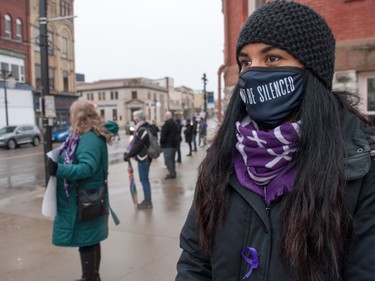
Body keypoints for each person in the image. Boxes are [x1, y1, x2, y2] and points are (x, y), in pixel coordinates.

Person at [176, 1, 375, 281]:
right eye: (246, 61)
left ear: (311, 71)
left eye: (271, 59)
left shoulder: (358, 167)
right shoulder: (221, 158)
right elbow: (195, 260)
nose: (253, 72)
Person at [47, 99, 117, 281]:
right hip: (88, 197)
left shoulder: (88, 138)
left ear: (79, 116)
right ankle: (92, 276)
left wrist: (58, 169)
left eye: (72, 114)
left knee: (87, 241)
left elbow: (88, 167)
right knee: (91, 240)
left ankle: (90, 278)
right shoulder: (87, 135)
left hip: (86, 199)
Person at [123, 110, 153, 209]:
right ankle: (147, 200)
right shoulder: (144, 128)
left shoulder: (142, 129)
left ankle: (147, 202)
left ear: (138, 118)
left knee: (144, 180)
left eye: (135, 118)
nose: (134, 120)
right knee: (145, 180)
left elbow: (139, 145)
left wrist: (129, 155)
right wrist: (129, 153)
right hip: (145, 157)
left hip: (144, 158)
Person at [160, 111, 178, 179]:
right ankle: (173, 172)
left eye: (165, 116)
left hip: (167, 145)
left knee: (168, 160)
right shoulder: (174, 124)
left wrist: (161, 143)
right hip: (174, 145)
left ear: (167, 117)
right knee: (172, 160)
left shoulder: (166, 125)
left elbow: (163, 136)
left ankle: (172, 173)